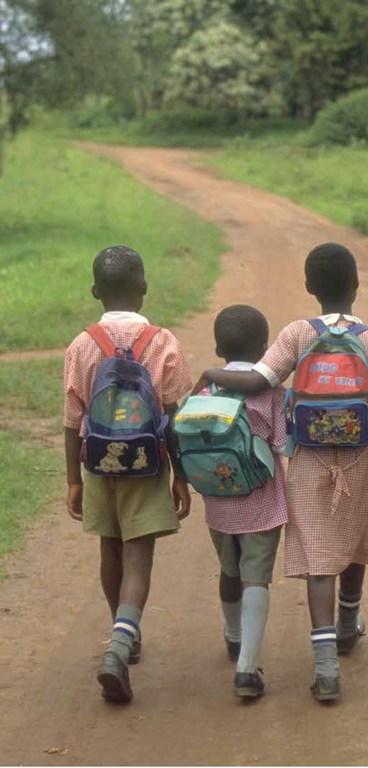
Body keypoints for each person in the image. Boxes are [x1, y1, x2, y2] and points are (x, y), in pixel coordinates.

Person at [191, 243, 368, 702]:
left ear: (309, 287)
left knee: (318, 560)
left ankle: (326, 669)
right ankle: (348, 625)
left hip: (308, 461)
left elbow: (257, 382)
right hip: (363, 459)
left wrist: (211, 371)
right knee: (352, 544)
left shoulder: (295, 334)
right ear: (356, 286)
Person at [64, 245, 192, 704]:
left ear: (96, 291)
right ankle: (122, 640)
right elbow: (175, 414)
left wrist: (74, 480)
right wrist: (181, 475)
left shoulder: (82, 343)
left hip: (97, 462)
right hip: (147, 462)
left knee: (110, 549)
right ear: (143, 289)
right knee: (139, 557)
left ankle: (123, 632)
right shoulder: (162, 341)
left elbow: (71, 418)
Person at [198, 305, 288, 699]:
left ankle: (233, 636)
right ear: (266, 349)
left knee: (228, 569)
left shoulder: (206, 390)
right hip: (263, 503)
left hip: (218, 502)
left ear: (218, 347)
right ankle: (247, 668)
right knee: (257, 578)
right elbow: (283, 445)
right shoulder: (271, 392)